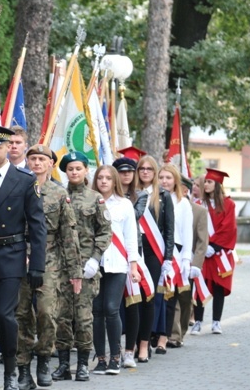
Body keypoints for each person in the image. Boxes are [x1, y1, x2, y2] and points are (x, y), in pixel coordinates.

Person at [0, 125, 47, 390]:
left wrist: (37, 264)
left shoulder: (25, 180)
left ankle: (10, 373)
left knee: (5, 316)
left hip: (10, 255)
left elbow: (37, 225)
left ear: (8, 148)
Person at [16, 144, 81, 390]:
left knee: (46, 313)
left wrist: (75, 272)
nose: (37, 163)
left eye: (42, 159)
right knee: (21, 314)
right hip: (20, 255)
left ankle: (43, 359)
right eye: (32, 158)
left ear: (50, 164)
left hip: (50, 259)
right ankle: (23, 368)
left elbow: (69, 234)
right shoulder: (18, 187)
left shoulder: (58, 193)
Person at [51, 151, 111, 382]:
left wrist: (95, 258)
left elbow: (105, 231)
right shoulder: (58, 196)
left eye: (78, 168)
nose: (74, 172)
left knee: (84, 317)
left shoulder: (95, 199)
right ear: (65, 172)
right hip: (61, 266)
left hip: (87, 266)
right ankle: (64, 364)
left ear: (87, 170)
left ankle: (84, 364)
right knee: (62, 316)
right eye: (70, 169)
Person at [91, 166, 139, 375]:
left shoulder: (124, 204)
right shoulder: (89, 201)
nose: (103, 181)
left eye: (108, 178)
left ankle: (115, 357)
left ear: (114, 181)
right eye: (100, 178)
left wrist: (134, 266)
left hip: (118, 263)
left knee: (111, 309)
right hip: (93, 264)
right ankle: (101, 358)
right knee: (96, 311)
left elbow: (130, 237)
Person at [134, 155, 174, 363]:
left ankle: (144, 344)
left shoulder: (163, 196)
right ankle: (132, 342)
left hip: (153, 252)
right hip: (133, 249)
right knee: (133, 299)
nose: (146, 172)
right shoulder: (131, 193)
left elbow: (168, 230)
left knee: (148, 297)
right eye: (142, 168)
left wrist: (167, 258)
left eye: (150, 168)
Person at [112, 153, 148, 369]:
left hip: (133, 252)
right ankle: (112, 351)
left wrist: (119, 203)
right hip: (110, 254)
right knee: (111, 306)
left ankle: (129, 351)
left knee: (133, 302)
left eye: (129, 172)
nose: (125, 175)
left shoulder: (140, 195)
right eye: (121, 172)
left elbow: (134, 216)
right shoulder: (103, 194)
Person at [192, 168, 237, 335]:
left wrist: (214, 247)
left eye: (210, 182)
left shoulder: (228, 204)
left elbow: (228, 229)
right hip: (202, 253)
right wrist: (203, 247)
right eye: (206, 182)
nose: (206, 185)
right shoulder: (198, 204)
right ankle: (197, 321)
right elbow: (195, 228)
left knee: (219, 287)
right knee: (199, 286)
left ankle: (216, 322)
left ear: (217, 185)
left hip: (220, 254)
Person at [158, 164, 193, 351]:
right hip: (156, 250)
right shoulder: (153, 199)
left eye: (168, 178)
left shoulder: (183, 203)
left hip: (176, 254)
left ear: (175, 181)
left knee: (171, 297)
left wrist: (186, 259)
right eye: (161, 177)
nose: (164, 181)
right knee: (156, 297)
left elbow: (187, 233)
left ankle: (167, 335)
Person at [170, 176, 208, 346]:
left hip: (189, 262)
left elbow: (202, 241)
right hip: (171, 260)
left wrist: (197, 265)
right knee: (173, 298)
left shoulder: (199, 211)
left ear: (185, 191)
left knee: (185, 301)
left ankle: (182, 330)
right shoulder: (167, 205)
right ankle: (174, 335)